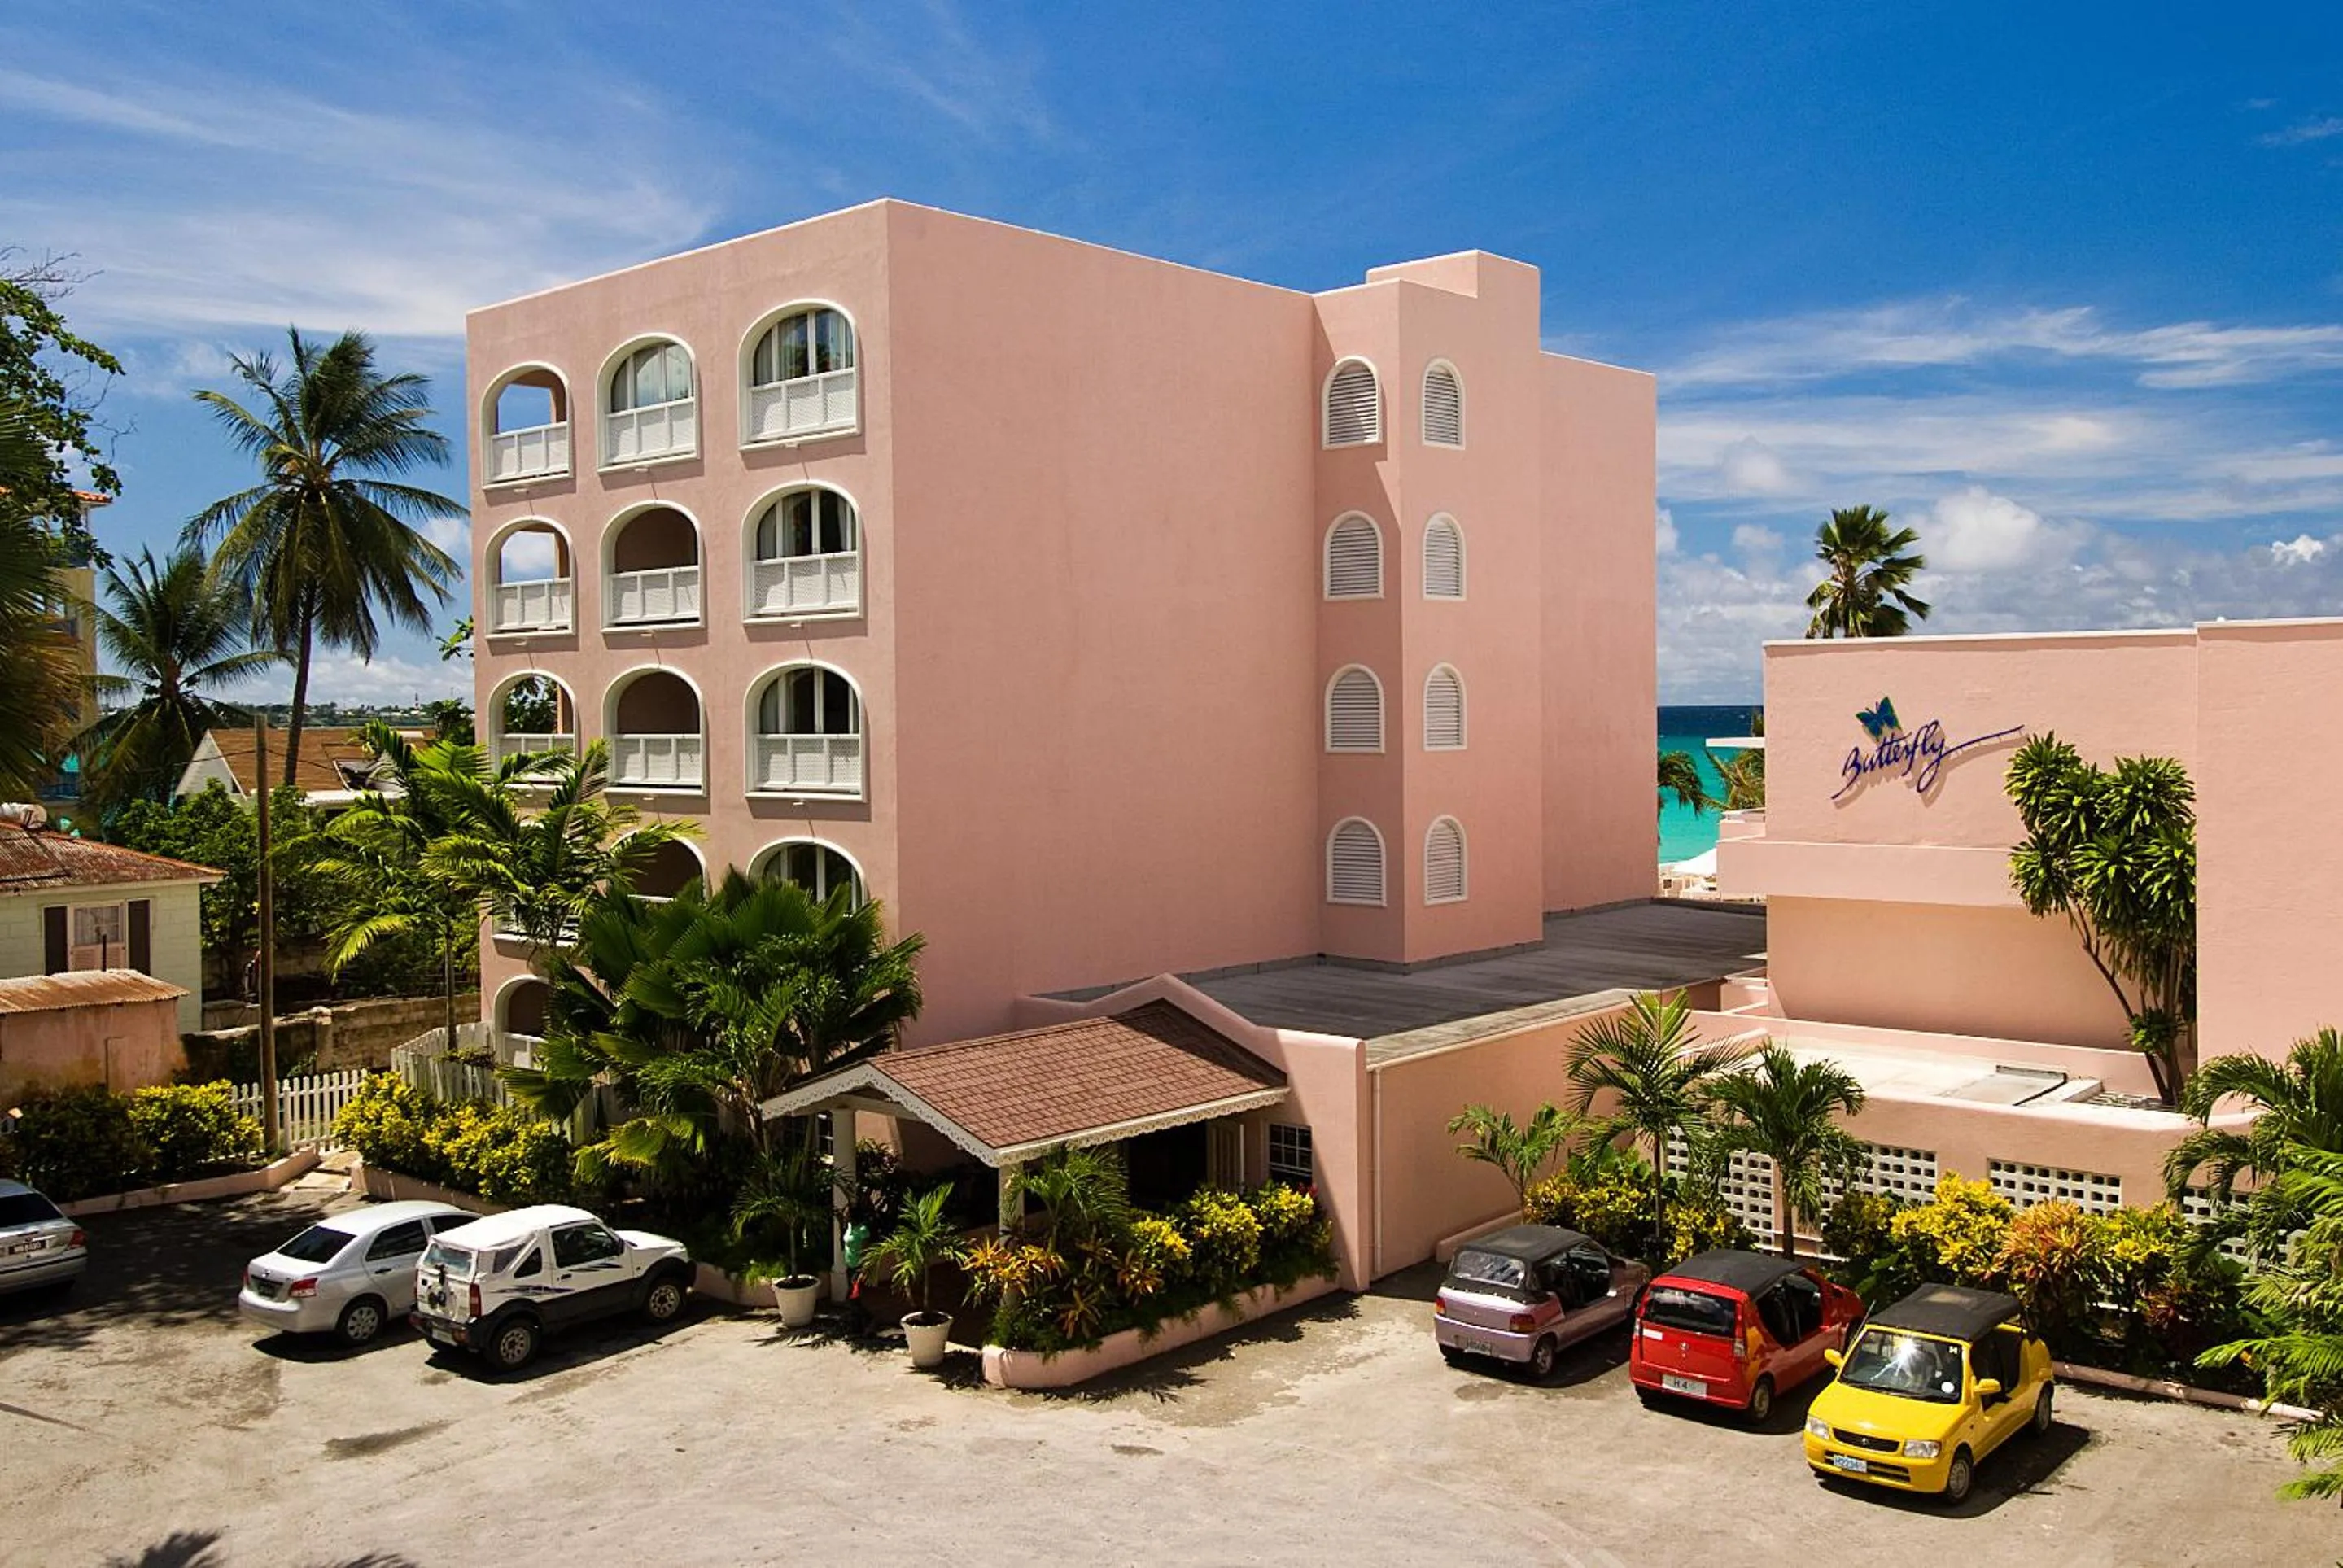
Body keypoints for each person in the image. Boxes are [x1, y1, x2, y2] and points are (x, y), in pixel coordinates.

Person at [841, 1216, 871, 1337]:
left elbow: (866, 1251)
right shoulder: (849, 1227)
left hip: (858, 1268)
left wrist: (864, 1270)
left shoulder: (863, 1230)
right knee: (855, 1299)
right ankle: (858, 1325)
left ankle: (865, 1321)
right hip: (849, 1267)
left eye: (848, 1215)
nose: (845, 1217)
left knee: (852, 1297)